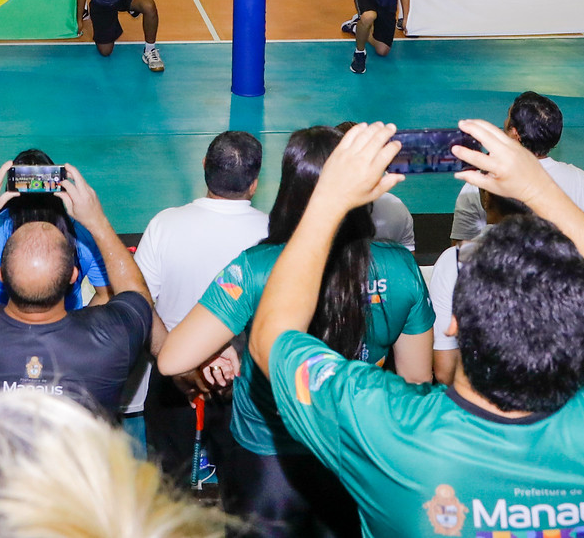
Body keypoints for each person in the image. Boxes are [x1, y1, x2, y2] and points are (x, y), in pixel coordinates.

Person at [247, 121, 584, 538]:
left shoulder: (389, 427)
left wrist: (327, 202)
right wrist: (539, 190)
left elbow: (272, 336)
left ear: (455, 323)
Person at [159, 126, 433, 537]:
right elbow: (416, 385)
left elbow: (172, 358)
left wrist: (231, 344)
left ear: (289, 190)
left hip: (266, 464)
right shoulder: (400, 267)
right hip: (354, 454)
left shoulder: (256, 266)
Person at [0, 159, 156, 419]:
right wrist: (97, 221)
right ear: (73, 275)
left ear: (1, 275)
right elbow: (136, 293)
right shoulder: (111, 339)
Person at [129, 130, 268, 483]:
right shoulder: (273, 233)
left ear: (204, 166)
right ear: (254, 182)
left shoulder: (164, 224)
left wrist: (178, 364)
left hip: (174, 378)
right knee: (244, 490)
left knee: (168, 489)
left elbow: (138, 304)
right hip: (244, 380)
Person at [450, 91, 584, 245]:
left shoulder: (480, 184)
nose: (504, 121)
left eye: (508, 116)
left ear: (515, 133)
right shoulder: (581, 181)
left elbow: (459, 251)